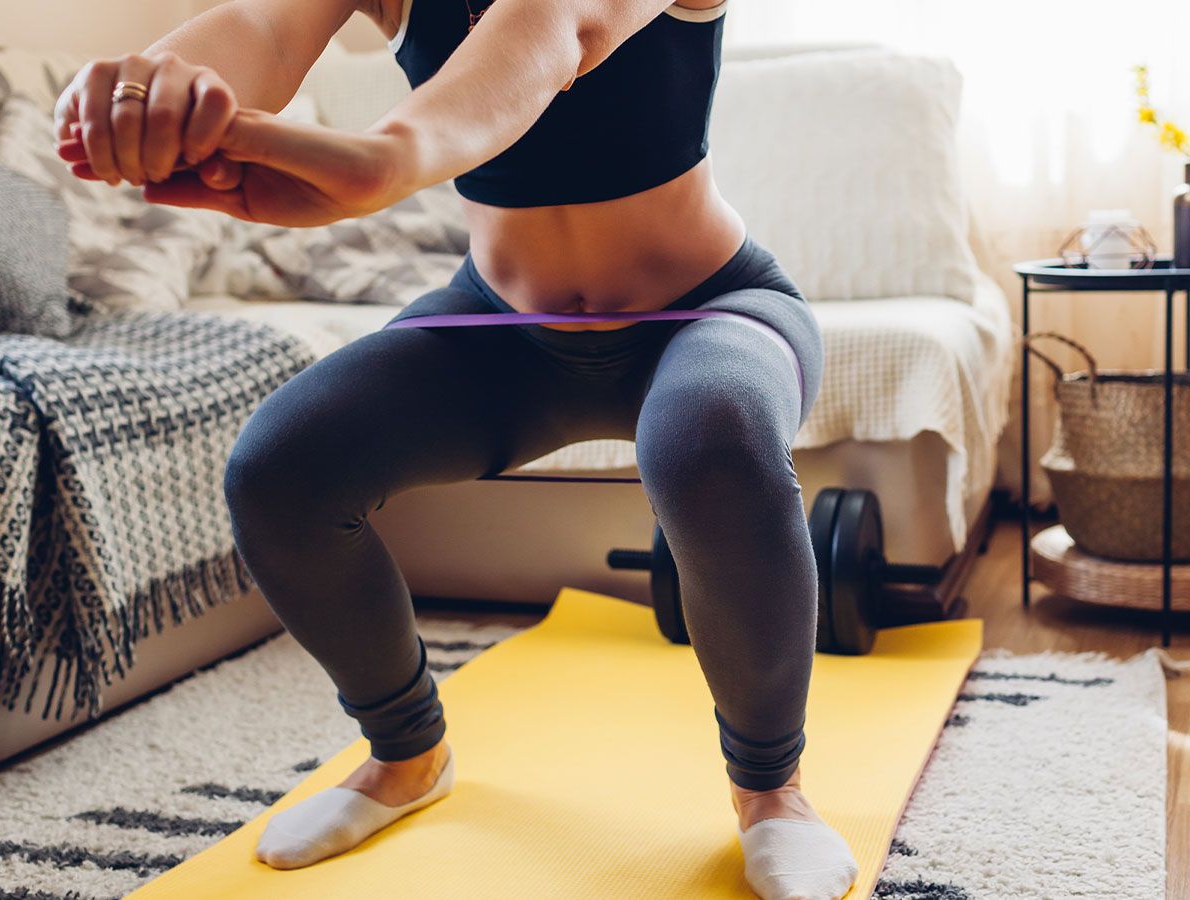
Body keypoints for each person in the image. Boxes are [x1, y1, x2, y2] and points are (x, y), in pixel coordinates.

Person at [53, 0, 858, 896]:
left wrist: (386, 158)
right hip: (503, 330)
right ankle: (407, 759)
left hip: (708, 308)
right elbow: (264, 29)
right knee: (282, 468)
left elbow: (555, 31)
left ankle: (771, 795)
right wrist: (152, 93)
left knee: (712, 438)